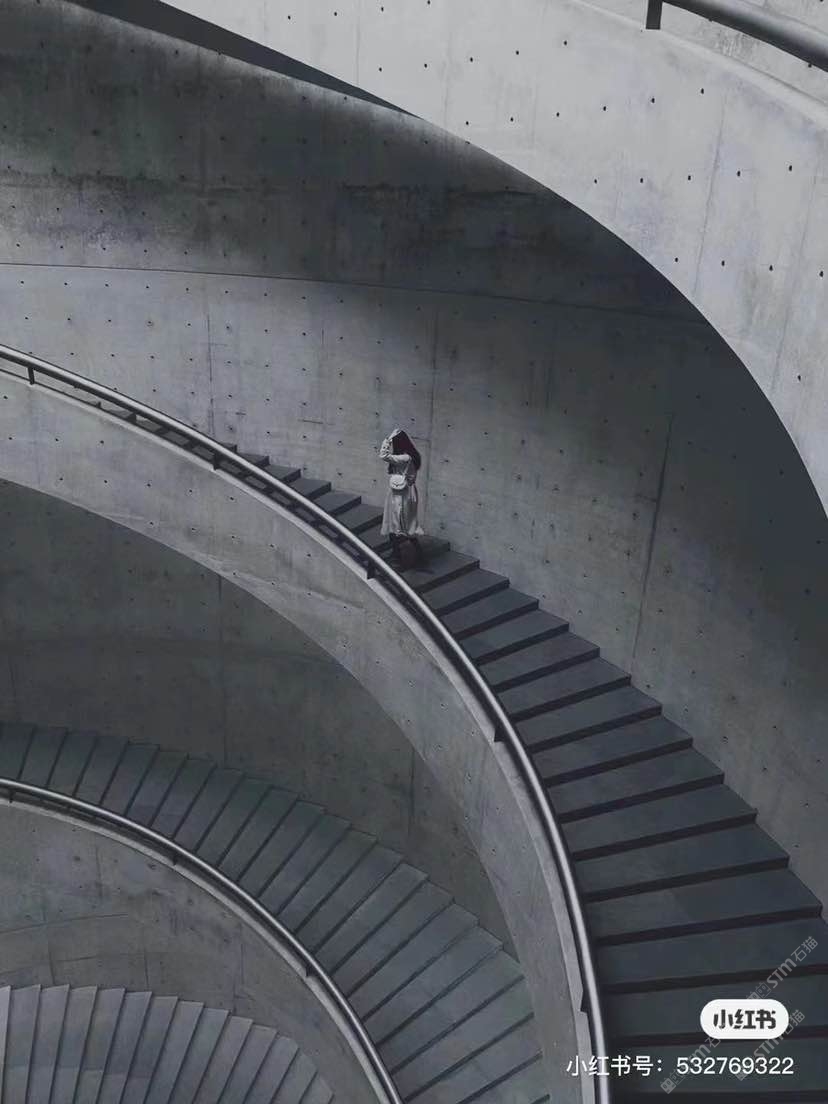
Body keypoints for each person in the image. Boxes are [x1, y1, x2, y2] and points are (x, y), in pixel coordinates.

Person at [379, 426, 426, 567]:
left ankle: (400, 557)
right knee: (403, 524)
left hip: (401, 495)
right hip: (403, 492)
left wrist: (388, 439)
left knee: (400, 525)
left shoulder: (405, 458)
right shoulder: (410, 456)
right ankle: (403, 554)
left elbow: (383, 455)